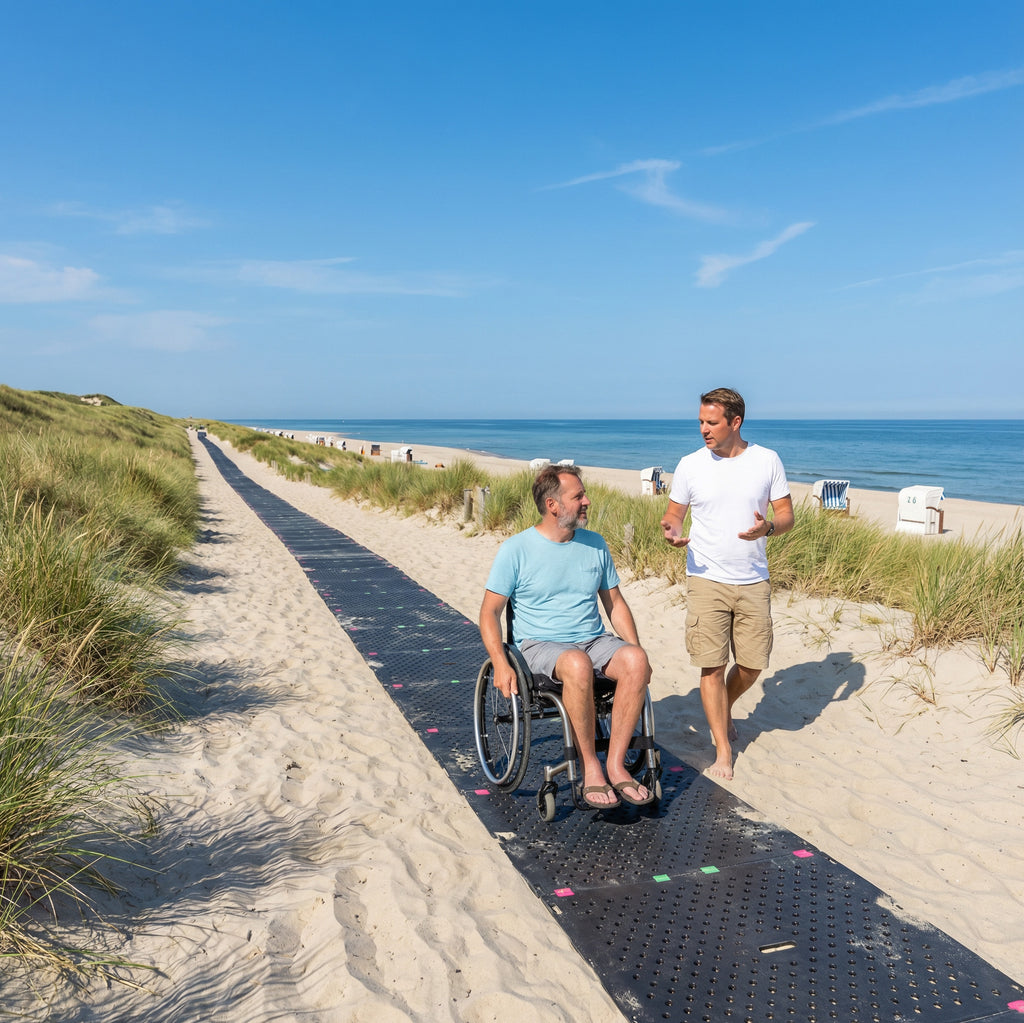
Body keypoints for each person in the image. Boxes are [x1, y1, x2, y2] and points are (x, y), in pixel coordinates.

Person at [479, 465, 653, 809]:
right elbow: (489, 613)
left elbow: (615, 603)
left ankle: (616, 766)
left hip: (591, 639)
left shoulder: (595, 544)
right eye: (578, 496)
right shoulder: (516, 549)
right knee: (576, 663)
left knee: (636, 660)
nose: (587, 501)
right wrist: (500, 661)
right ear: (552, 504)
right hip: (539, 646)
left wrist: (635, 646)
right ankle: (591, 767)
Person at [660, 387, 794, 781]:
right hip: (705, 578)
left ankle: (723, 707)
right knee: (712, 668)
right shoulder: (690, 465)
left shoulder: (767, 460)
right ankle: (722, 747)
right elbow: (673, 515)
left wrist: (768, 527)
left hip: (754, 579)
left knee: (752, 665)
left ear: (735, 422)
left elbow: (786, 516)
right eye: (701, 421)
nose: (704, 428)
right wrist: (672, 531)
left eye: (712, 422)